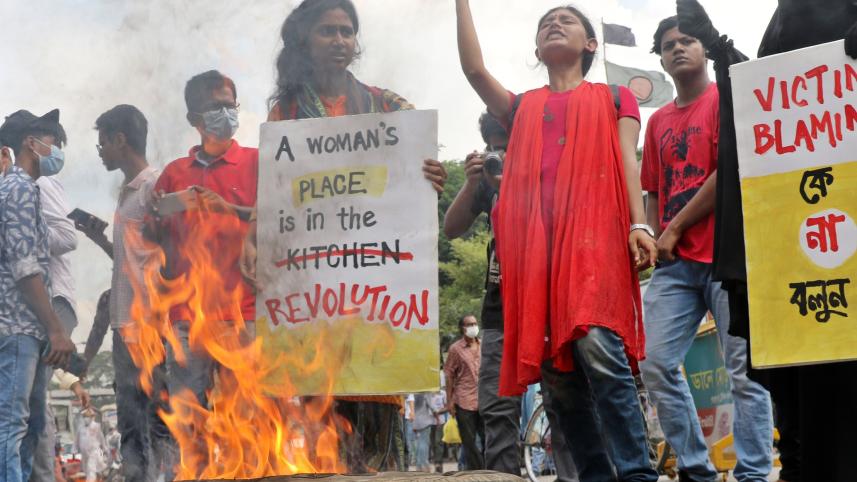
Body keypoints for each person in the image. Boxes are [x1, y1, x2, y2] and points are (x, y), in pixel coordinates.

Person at [455, 2, 659, 481]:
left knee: (601, 352)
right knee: (558, 382)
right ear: (536, 48)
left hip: (595, 242)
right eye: (546, 22)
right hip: (535, 257)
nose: (555, 23)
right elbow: (472, 69)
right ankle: (594, 475)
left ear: (590, 44)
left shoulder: (614, 97)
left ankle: (636, 473)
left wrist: (639, 224)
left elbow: (629, 162)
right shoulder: (523, 106)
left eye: (568, 20)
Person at [247, 0, 448, 472]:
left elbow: (415, 170)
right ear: (305, 41)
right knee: (326, 437)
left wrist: (431, 175)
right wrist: (253, 239)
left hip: (378, 286)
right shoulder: (287, 113)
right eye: (327, 31)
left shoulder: (388, 105)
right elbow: (275, 191)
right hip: (315, 292)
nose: (339, 41)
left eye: (346, 31)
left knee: (377, 444)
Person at [675, 1, 857, 480]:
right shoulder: (786, 15)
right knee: (803, 395)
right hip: (799, 254)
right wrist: (715, 44)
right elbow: (763, 104)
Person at [639, 17, 773, 482]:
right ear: (658, 57)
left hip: (726, 255)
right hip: (674, 265)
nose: (677, 49)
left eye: (687, 40)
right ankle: (696, 468)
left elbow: (728, 172)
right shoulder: (656, 121)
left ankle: (754, 473)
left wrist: (673, 228)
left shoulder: (724, 99)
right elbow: (652, 191)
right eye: (667, 44)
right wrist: (656, 237)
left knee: (743, 371)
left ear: (704, 48)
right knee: (653, 361)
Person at [444, 112, 578, 479]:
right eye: (493, 144)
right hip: (500, 308)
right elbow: (452, 228)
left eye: (506, 141)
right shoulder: (487, 180)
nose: (499, 151)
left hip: (549, 303)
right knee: (497, 407)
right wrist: (474, 182)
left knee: (562, 401)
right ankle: (503, 478)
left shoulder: (545, 167)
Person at [146, 70, 257, 467]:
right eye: (215, 106)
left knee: (247, 410)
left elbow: (278, 216)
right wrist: (156, 217)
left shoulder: (257, 162)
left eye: (231, 104)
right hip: (187, 315)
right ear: (194, 118)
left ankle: (247, 473)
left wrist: (227, 208)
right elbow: (154, 240)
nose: (225, 113)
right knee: (188, 414)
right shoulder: (174, 173)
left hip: (244, 310)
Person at [77, 104, 168, 482]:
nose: (100, 151)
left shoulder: (154, 187)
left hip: (149, 326)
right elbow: (129, 260)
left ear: (120, 140)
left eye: (103, 143)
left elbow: (169, 256)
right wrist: (99, 238)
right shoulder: (125, 195)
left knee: (158, 423)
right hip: (123, 328)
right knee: (131, 428)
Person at [0, 109, 75, 482]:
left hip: (26, 329)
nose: (56, 149)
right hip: (17, 327)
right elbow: (26, 268)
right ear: (31, 143)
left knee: (29, 425)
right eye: (52, 142)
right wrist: (56, 329)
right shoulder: (17, 190)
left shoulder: (24, 190)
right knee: (11, 428)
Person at [443, 315, 483, 471]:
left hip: (483, 399)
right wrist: (449, 401)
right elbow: (449, 376)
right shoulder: (455, 349)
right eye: (469, 324)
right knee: (469, 440)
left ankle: (486, 468)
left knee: (487, 437)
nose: (473, 326)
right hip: (463, 400)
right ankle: (478, 470)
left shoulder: (483, 345)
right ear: (462, 328)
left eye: (475, 323)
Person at [75, 410, 107, 482]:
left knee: (91, 468)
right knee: (86, 470)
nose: (86, 418)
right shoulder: (80, 427)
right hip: (84, 453)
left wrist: (104, 447)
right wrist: (74, 449)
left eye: (87, 417)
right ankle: (99, 477)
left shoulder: (96, 426)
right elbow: (77, 439)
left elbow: (101, 437)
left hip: (93, 451)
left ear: (92, 417)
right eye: (84, 417)